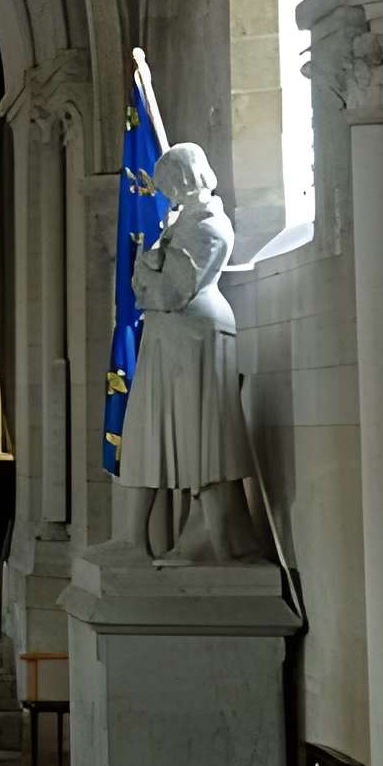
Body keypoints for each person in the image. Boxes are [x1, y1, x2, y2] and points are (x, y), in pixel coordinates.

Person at [106, 140, 252, 563]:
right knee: (146, 434)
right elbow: (146, 289)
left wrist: (148, 267)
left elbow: (168, 291)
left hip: (195, 338)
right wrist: (148, 271)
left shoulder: (207, 225)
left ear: (185, 178)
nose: (164, 190)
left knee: (200, 441)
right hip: (170, 339)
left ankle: (212, 539)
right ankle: (133, 539)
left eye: (169, 181)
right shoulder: (181, 225)